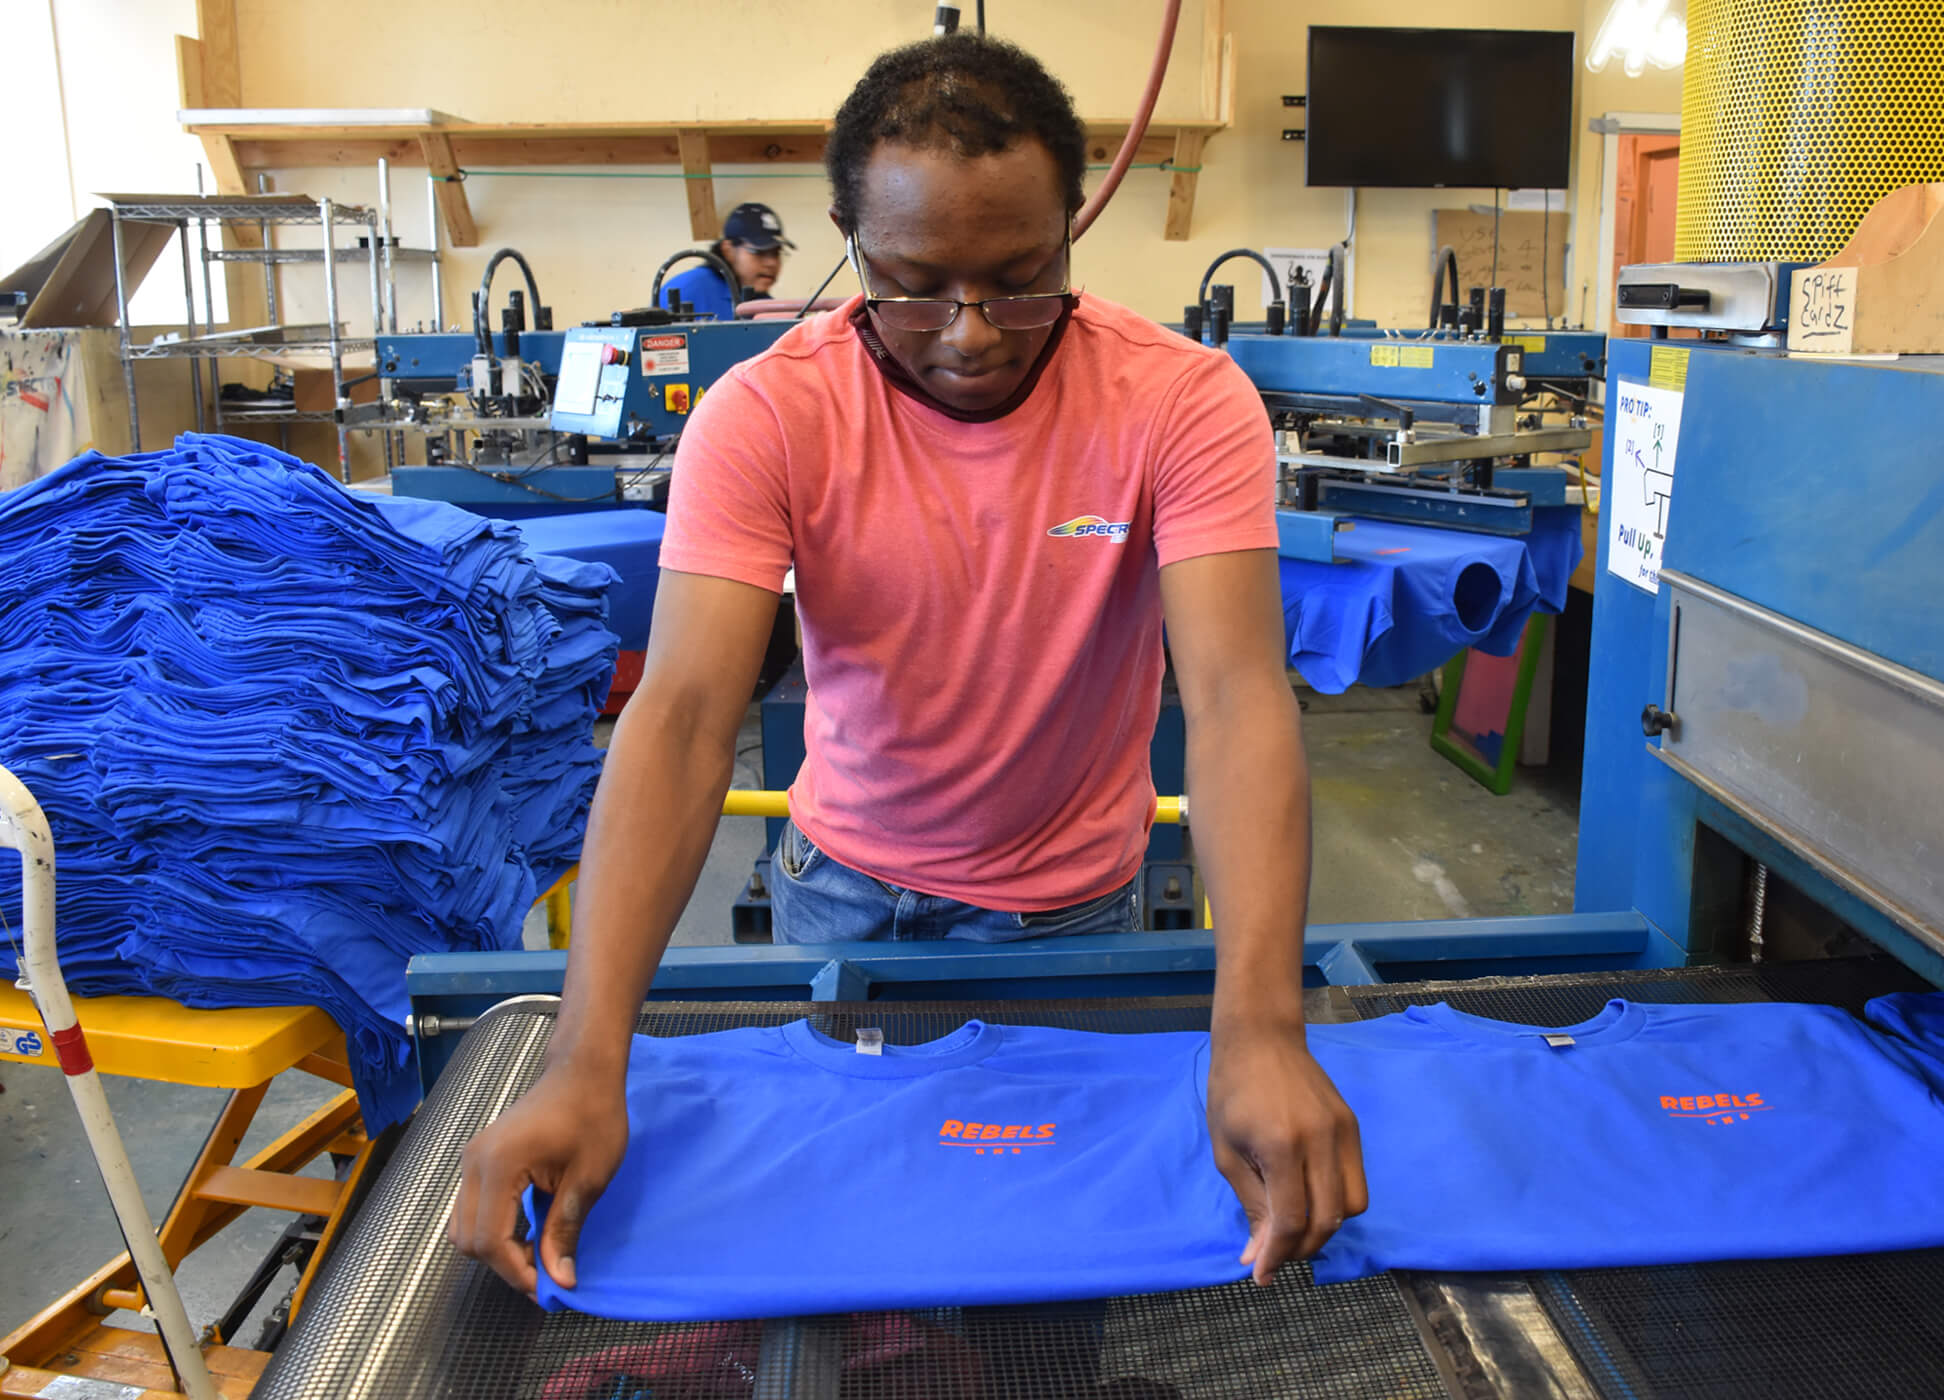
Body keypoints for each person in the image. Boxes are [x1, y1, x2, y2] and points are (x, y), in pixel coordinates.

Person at [453, 33, 1367, 1303]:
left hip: (1076, 916)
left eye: (1021, 278)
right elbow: (678, 719)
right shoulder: (769, 416)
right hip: (846, 895)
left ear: (1073, 223)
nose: (975, 333)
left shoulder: (1181, 401)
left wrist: (1260, 1021)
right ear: (848, 243)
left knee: (1047, 1280)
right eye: (916, 286)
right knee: (850, 1271)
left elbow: (1235, 697)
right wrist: (586, 1051)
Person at [657, 202, 795, 321]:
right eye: (759, 253)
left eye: (776, 253)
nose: (771, 263)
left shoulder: (767, 307)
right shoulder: (686, 290)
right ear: (728, 250)